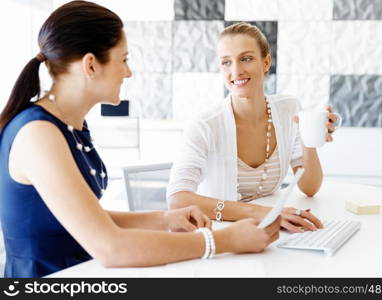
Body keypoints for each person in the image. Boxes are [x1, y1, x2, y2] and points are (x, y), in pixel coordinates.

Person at [0, 2, 280, 278]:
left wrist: (164, 219)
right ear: (91, 65)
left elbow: (89, 220)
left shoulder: (68, 126)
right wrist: (225, 241)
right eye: (123, 60)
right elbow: (112, 248)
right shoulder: (38, 135)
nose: (128, 72)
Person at [167, 22, 340, 233]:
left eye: (246, 59)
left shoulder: (289, 109)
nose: (236, 71)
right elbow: (177, 200)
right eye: (226, 62)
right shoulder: (205, 124)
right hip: (219, 234)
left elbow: (310, 187)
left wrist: (309, 137)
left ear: (266, 62)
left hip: (270, 229)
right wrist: (262, 213)